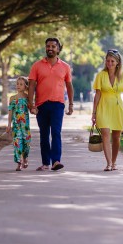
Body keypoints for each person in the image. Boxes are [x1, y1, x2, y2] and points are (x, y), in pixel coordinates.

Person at [28, 37, 74, 171]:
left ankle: (56, 161)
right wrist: (31, 105)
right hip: (41, 105)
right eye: (48, 46)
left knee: (56, 132)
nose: (50, 48)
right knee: (44, 134)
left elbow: (69, 86)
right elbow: (31, 86)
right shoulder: (37, 65)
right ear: (45, 48)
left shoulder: (65, 66)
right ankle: (45, 163)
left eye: (53, 46)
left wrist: (70, 104)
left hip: (58, 104)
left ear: (58, 49)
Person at [7, 76, 31, 171]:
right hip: (16, 126)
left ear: (25, 86)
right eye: (17, 84)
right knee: (17, 143)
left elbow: (32, 108)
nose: (18, 86)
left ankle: (25, 158)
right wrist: (9, 124)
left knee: (26, 143)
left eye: (21, 84)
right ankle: (19, 163)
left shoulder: (28, 97)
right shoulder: (12, 98)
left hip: (25, 126)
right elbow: (10, 112)